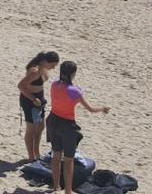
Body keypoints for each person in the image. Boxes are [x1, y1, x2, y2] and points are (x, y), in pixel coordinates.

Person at [47, 60, 109, 194]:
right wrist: (103, 108)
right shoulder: (74, 91)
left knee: (56, 155)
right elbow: (91, 109)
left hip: (52, 120)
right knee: (68, 160)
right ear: (73, 73)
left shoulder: (54, 85)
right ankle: (68, 191)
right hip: (66, 125)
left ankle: (56, 186)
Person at [18, 51, 60, 163]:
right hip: (29, 100)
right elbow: (21, 86)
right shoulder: (34, 71)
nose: (54, 67)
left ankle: (37, 153)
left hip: (39, 100)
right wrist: (32, 98)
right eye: (53, 65)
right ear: (46, 62)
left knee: (40, 127)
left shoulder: (44, 69)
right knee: (31, 129)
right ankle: (31, 156)